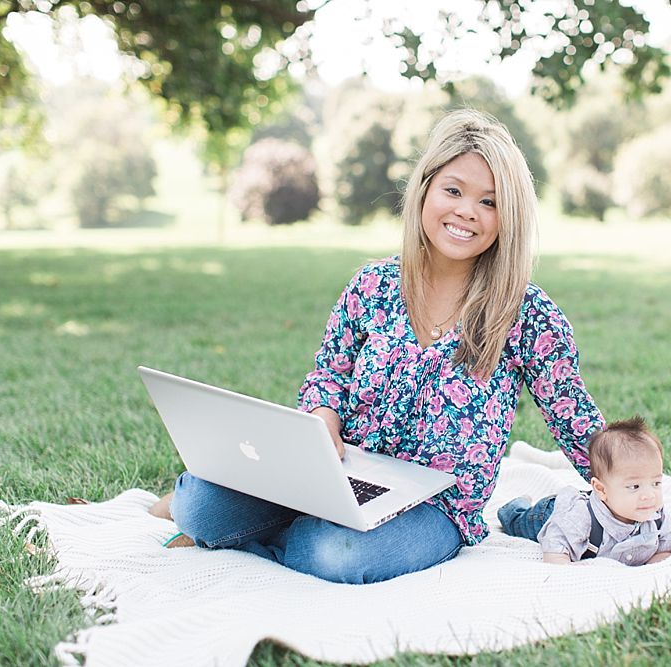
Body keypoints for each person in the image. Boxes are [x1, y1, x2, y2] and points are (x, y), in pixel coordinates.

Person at [148, 109, 605, 584]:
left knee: (338, 555)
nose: (467, 211)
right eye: (453, 191)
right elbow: (328, 375)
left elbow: (571, 410)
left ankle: (272, 536)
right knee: (199, 504)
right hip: (340, 477)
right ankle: (268, 525)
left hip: (434, 507)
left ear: (509, 215)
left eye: (489, 202)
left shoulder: (525, 311)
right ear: (425, 189)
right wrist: (323, 417)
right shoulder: (373, 285)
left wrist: (627, 487)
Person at [498, 416, 671, 565]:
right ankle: (516, 505)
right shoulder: (578, 519)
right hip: (548, 514)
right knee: (516, 522)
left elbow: (664, 549)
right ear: (601, 489)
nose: (649, 495)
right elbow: (555, 550)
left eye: (656, 483)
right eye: (634, 487)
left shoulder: (656, 516)